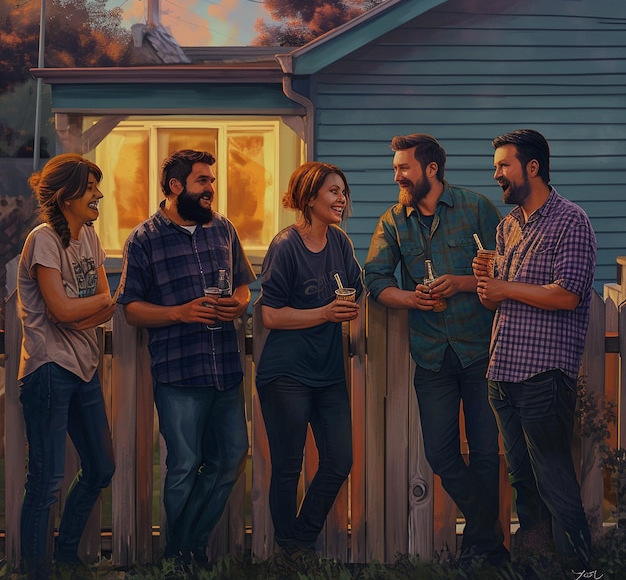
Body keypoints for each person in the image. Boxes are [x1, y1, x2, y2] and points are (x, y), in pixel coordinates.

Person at [364, 133, 508, 567]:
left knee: (485, 451)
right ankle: (489, 534)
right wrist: (412, 299)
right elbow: (375, 280)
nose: (397, 176)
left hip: (481, 349)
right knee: (441, 453)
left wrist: (462, 281)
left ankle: (483, 551)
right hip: (431, 355)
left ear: (430, 169)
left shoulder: (476, 208)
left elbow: (506, 265)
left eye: (403, 168)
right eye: (395, 169)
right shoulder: (393, 221)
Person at [117, 149, 255, 564]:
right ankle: (180, 557)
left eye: (212, 181)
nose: (211, 189)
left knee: (232, 457)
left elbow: (246, 285)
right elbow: (130, 308)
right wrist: (179, 312)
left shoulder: (223, 229)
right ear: (176, 187)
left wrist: (238, 303)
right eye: (202, 181)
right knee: (183, 466)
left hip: (225, 369)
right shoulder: (143, 239)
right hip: (179, 372)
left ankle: (185, 547)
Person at [473, 129, 596, 571]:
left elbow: (568, 295)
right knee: (523, 482)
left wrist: (505, 285)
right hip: (502, 373)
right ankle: (539, 566)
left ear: (532, 167)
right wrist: (487, 281)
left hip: (543, 375)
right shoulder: (507, 227)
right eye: (495, 167)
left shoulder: (570, 220)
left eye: (504, 166)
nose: (497, 174)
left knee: (555, 482)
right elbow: (493, 301)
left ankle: (582, 569)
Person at [256, 162, 362, 566]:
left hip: (328, 372)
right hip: (286, 373)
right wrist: (324, 313)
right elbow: (272, 315)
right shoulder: (286, 245)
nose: (342, 199)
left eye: (343, 192)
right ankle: (291, 552)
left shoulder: (339, 243)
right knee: (288, 467)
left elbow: (354, 289)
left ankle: (297, 543)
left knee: (339, 459)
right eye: (333, 192)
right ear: (309, 197)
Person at [17, 154, 116, 578]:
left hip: (84, 367)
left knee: (100, 467)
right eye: (91, 187)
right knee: (45, 481)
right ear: (66, 196)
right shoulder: (43, 240)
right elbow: (60, 309)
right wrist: (90, 307)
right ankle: (36, 570)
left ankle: (66, 556)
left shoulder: (89, 237)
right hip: (49, 370)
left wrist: (85, 310)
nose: (99, 194)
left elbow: (104, 305)